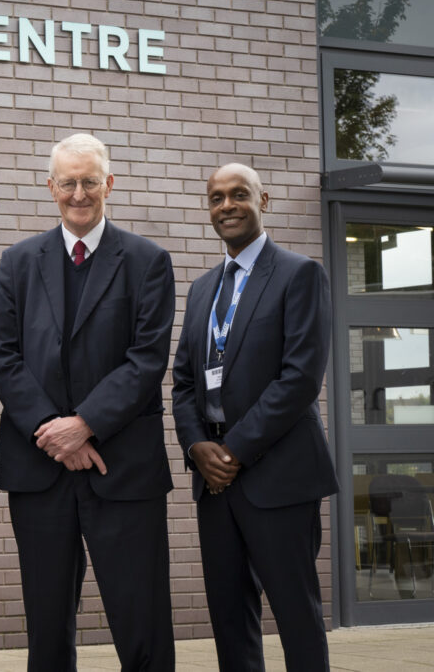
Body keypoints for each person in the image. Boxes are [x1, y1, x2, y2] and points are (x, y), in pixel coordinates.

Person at [0, 133, 176, 671]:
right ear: (51, 187)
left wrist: (86, 424)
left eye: (89, 181)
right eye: (67, 182)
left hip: (123, 468)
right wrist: (54, 429)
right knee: (47, 629)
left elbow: (146, 360)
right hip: (40, 467)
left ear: (108, 184)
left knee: (142, 622)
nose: (78, 193)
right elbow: (0, 353)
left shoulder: (147, 261)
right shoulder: (19, 261)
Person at [171, 163, 338, 671]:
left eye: (238, 194)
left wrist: (233, 450)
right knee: (229, 617)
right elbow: (183, 381)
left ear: (262, 201)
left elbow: (300, 379)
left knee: (295, 614)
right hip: (215, 481)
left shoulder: (299, 273)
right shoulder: (203, 289)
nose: (227, 206)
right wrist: (197, 446)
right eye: (217, 198)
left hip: (278, 474)